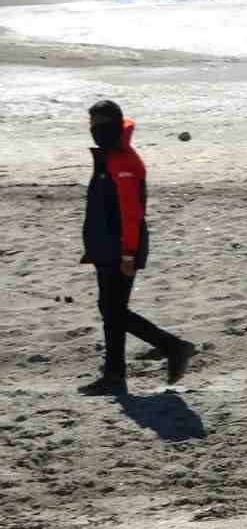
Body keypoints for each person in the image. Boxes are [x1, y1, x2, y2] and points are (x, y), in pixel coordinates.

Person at [78, 100, 196, 396]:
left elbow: (132, 212)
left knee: (113, 309)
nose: (97, 131)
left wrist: (128, 252)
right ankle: (115, 375)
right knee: (112, 309)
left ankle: (172, 347)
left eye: (103, 125)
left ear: (116, 126)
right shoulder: (110, 156)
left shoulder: (123, 160)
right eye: (93, 125)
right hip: (107, 246)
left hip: (120, 249)